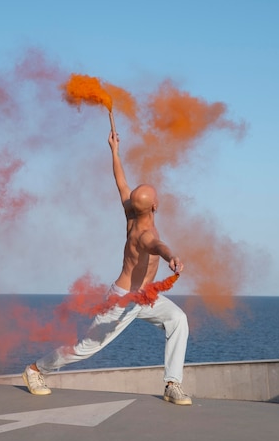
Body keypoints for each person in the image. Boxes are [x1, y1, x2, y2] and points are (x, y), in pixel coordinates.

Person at [22, 126, 191, 405]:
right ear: (153, 207)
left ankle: (172, 384)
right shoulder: (144, 234)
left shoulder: (131, 212)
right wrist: (170, 255)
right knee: (86, 347)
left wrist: (114, 151)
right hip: (122, 301)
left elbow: (122, 183)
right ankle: (35, 370)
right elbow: (157, 247)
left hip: (146, 296)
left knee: (178, 320)